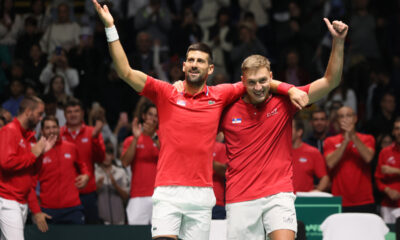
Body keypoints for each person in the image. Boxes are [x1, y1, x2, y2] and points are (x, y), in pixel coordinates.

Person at [92, 1, 307, 239]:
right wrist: (111, 28)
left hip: (202, 195)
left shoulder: (221, 94)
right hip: (168, 191)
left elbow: (258, 81)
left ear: (211, 69)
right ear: (183, 66)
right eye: (191, 60)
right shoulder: (166, 93)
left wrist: (290, 90)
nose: (195, 64)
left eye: (201, 61)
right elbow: (125, 72)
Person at [219, 18, 348, 240]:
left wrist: (338, 42)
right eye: (251, 82)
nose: (258, 88)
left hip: (278, 194)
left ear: (271, 77)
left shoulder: (284, 102)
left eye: (262, 81)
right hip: (240, 197)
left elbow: (330, 81)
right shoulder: (227, 108)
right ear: (242, 81)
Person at [0, 97, 56, 240]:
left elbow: (31, 174)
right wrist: (33, 154)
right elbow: (6, 163)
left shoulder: (30, 137)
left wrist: (41, 154)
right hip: (7, 200)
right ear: (28, 112)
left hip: (22, 202)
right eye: (39, 113)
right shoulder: (9, 131)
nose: (40, 118)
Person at [28, 115, 90, 232]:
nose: (52, 131)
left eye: (54, 127)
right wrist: (36, 212)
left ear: (59, 128)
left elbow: (83, 165)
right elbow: (30, 186)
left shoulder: (71, 147)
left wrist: (86, 175)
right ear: (42, 131)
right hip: (48, 211)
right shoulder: (37, 152)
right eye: (47, 128)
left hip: (73, 209)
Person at [60, 98, 105, 224]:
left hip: (88, 192)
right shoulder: (58, 134)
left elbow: (100, 159)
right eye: (69, 112)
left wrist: (95, 138)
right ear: (64, 114)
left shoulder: (92, 132)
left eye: (76, 111)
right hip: (64, 193)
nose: (73, 114)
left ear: (83, 113)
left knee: (90, 233)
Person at [324, 106, 375, 213]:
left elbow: (368, 157)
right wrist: (345, 141)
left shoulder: (368, 138)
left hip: (364, 200)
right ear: (337, 120)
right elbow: (330, 163)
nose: (345, 119)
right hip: (339, 200)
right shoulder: (330, 141)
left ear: (355, 118)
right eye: (341, 116)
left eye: (348, 115)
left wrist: (353, 136)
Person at [121, 102, 159, 225]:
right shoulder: (131, 140)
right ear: (143, 116)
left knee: (162, 235)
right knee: (136, 235)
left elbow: (169, 157)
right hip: (137, 195)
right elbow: (125, 163)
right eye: (150, 114)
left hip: (160, 196)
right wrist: (136, 138)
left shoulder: (162, 138)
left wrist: (153, 136)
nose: (153, 118)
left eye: (156, 116)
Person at [292, 117, 329, 192]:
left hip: (304, 201)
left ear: (299, 132)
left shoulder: (312, 152)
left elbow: (325, 178)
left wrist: (316, 192)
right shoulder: (278, 152)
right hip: (283, 201)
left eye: (289, 128)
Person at [96, 145, 130, 225]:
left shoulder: (121, 172)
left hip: (119, 220)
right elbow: (91, 198)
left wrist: (115, 185)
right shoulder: (95, 173)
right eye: (104, 155)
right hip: (101, 222)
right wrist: (97, 187)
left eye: (109, 154)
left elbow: (126, 197)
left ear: (113, 156)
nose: (106, 157)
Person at [375, 118, 400, 223]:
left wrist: (394, 170)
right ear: (393, 132)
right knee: (389, 236)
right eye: (397, 129)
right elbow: (377, 178)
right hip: (388, 205)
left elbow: (391, 171)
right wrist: (387, 190)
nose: (399, 132)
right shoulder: (385, 152)